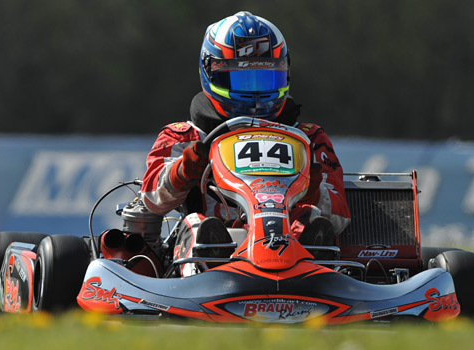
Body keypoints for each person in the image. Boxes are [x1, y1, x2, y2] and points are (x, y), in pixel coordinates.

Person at [140, 11, 350, 257]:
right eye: (243, 80)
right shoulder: (186, 137)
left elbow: (340, 216)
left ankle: (316, 270)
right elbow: (152, 198)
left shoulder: (308, 139)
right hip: (216, 253)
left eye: (265, 78)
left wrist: (312, 191)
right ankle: (209, 256)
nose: (255, 94)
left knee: (312, 221)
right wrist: (182, 172)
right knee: (197, 224)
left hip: (289, 252)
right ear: (210, 72)